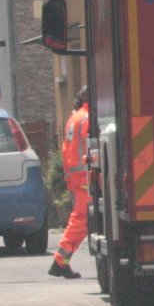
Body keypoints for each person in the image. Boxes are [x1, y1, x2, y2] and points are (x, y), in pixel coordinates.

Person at [49, 88, 92, 279]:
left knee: (80, 220)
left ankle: (60, 262)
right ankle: (59, 262)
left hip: (77, 179)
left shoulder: (74, 119)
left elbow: (67, 152)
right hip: (87, 179)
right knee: (81, 222)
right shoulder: (88, 118)